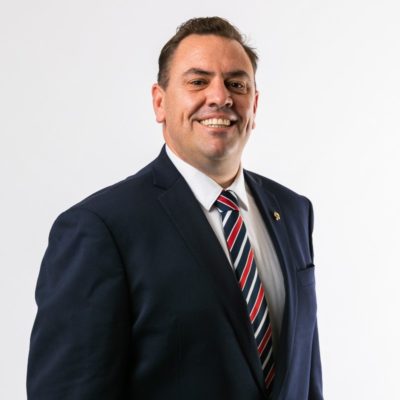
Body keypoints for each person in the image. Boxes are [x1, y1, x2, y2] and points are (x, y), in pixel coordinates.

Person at [27, 17, 323, 400]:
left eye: (237, 84)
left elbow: (305, 378)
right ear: (160, 102)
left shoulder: (293, 212)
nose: (220, 97)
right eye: (198, 81)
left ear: (254, 103)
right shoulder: (101, 228)